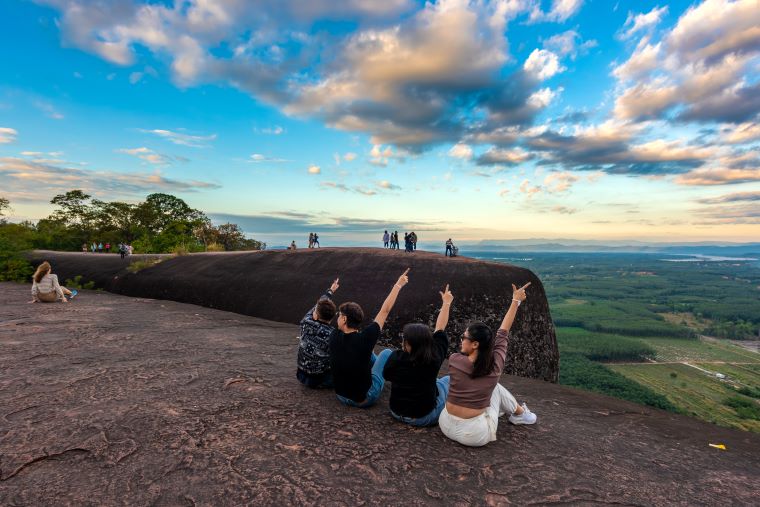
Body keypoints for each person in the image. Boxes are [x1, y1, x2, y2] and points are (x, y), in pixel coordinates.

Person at [438, 282, 536, 447]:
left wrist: (446, 303)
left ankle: (516, 412)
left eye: (464, 337)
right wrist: (515, 301)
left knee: (489, 387)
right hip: (473, 434)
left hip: (445, 424)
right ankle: (521, 413)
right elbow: (503, 332)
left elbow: (439, 330)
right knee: (495, 387)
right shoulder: (495, 364)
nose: (461, 340)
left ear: (475, 344)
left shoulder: (455, 360)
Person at [330, 269, 409, 408]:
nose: (337, 317)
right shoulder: (365, 339)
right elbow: (385, 310)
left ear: (344, 319)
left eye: (339, 315)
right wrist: (398, 285)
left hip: (340, 395)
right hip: (364, 399)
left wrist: (330, 291)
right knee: (386, 353)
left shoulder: (334, 336)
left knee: (368, 353)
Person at [383, 284, 453, 426]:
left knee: (437, 383)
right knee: (447, 379)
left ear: (407, 343)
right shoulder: (434, 358)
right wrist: (446, 303)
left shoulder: (396, 357)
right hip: (422, 418)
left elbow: (387, 376)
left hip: (395, 411)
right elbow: (440, 328)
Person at [297, 278, 340, 388]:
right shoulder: (333, 334)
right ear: (331, 319)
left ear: (315, 315)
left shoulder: (305, 322)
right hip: (320, 380)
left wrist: (330, 290)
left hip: (301, 375)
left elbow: (317, 306)